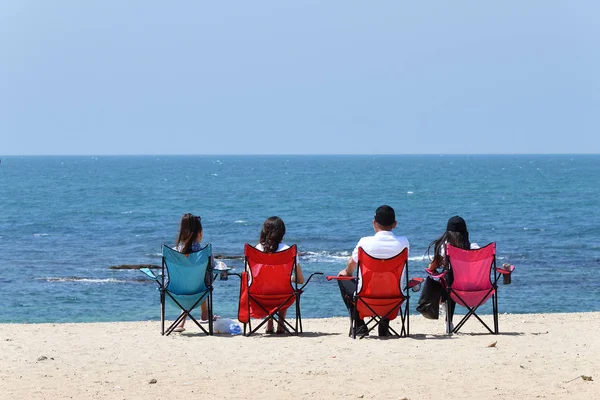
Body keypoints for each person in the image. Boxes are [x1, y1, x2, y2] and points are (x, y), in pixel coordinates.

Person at [337, 205, 409, 336]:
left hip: (366, 299)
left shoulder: (364, 243)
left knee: (342, 277)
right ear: (395, 224)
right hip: (393, 299)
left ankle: (359, 324)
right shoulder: (404, 243)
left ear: (374, 223)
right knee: (387, 283)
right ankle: (384, 324)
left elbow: (351, 266)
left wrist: (347, 273)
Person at [426, 215, 478, 334]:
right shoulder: (474, 248)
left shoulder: (444, 249)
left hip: (453, 291)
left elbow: (431, 268)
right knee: (453, 279)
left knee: (448, 279)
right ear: (465, 233)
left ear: (447, 233)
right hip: (476, 289)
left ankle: (447, 319)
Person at [255, 216, 305, 334]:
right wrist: (289, 278)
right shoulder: (288, 250)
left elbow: (251, 277)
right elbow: (301, 280)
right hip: (283, 296)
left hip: (260, 296)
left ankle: (269, 323)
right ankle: (281, 324)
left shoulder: (257, 249)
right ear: (282, 233)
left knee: (270, 284)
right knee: (283, 285)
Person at [173, 213, 216, 333]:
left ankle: (183, 320)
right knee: (202, 278)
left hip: (176, 293)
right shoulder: (205, 252)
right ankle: (205, 314)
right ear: (200, 233)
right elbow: (213, 268)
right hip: (199, 291)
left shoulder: (174, 252)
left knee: (190, 280)